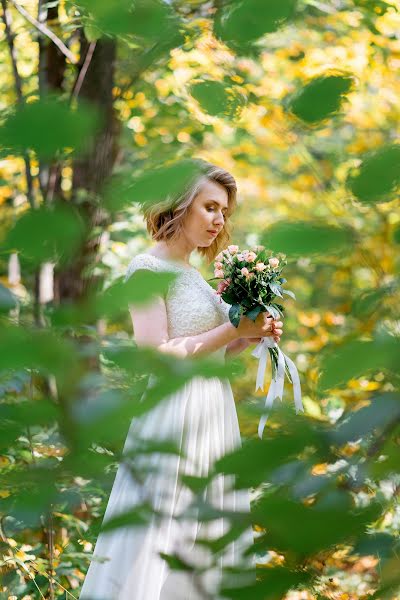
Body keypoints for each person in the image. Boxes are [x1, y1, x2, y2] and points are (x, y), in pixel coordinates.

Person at [79, 160, 283, 599]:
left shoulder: (194, 274)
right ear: (180, 205)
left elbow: (211, 354)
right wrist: (233, 329)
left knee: (203, 530)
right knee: (162, 530)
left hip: (212, 409)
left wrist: (249, 337)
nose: (219, 220)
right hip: (173, 413)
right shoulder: (147, 269)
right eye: (210, 207)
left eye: (224, 211)